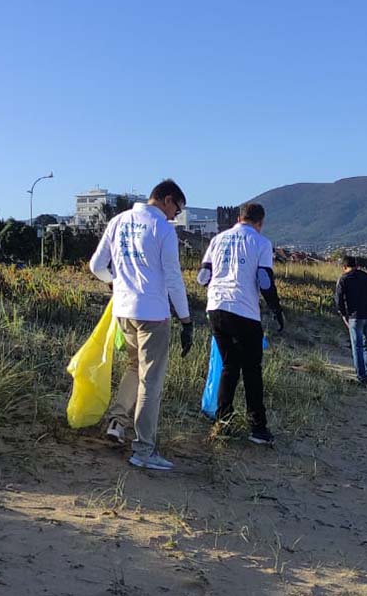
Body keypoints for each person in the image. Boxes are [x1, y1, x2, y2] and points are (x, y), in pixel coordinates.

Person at [89, 179, 193, 471]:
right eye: (177, 208)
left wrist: (117, 283)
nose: (176, 215)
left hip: (123, 311)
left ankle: (116, 422)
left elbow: (96, 266)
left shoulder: (118, 221)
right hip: (153, 315)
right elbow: (173, 279)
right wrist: (186, 320)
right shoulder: (162, 229)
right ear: (167, 199)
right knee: (151, 382)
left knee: (135, 368)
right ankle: (144, 450)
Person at [197, 202, 284, 446]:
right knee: (252, 370)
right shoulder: (261, 242)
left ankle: (222, 420)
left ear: (238, 217)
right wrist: (276, 310)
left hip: (215, 308)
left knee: (229, 366)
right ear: (260, 222)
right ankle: (258, 428)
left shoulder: (218, 239)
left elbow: (203, 276)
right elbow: (265, 280)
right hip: (244, 310)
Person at [335, 255, 367, 385]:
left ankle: (361, 377)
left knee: (357, 347)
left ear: (344, 267)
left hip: (355, 317)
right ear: (356, 265)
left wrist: (343, 314)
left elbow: (338, 300)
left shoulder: (343, 279)